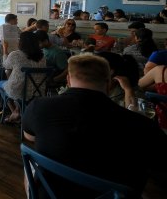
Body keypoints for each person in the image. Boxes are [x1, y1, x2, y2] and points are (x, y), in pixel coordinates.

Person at [22, 55, 167, 198]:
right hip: (113, 194)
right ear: (109, 82)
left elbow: (29, 136)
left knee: (30, 168)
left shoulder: (38, 106)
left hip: (49, 193)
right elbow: (160, 164)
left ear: (68, 80)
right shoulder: (142, 125)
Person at [0, 32, 46, 123]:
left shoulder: (16, 54)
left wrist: (5, 49)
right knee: (12, 76)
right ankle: (18, 108)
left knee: (0, 83)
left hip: (19, 91)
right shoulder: (42, 56)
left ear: (21, 42)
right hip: (38, 91)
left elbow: (5, 65)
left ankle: (14, 112)